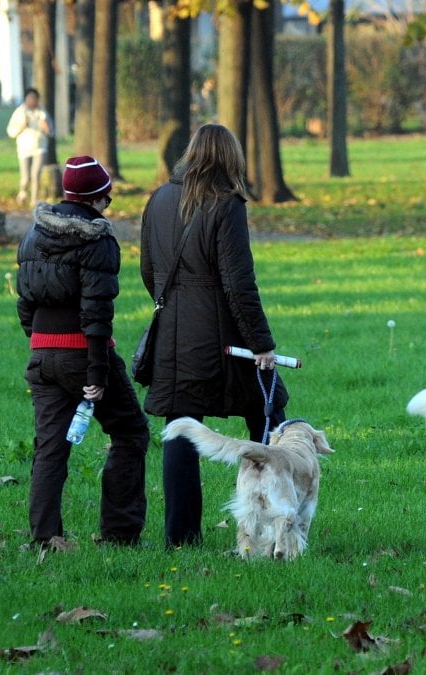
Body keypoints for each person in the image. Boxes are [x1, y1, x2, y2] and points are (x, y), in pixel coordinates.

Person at [140, 123, 288, 548]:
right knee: (269, 413)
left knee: (182, 427)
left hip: (172, 331)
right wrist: (262, 344)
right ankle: (276, 518)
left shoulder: (159, 199)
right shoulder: (227, 205)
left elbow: (149, 272)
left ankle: (181, 537)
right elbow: (238, 283)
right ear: (231, 160)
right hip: (222, 335)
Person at [16, 156, 149, 549]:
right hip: (83, 354)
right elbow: (96, 313)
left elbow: (26, 301)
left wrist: (40, 342)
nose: (107, 206)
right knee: (130, 432)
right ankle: (120, 534)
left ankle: (44, 537)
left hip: (41, 355)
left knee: (50, 447)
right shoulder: (98, 240)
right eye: (107, 199)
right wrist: (95, 373)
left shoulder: (34, 234)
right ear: (97, 198)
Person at [6, 88, 54, 207]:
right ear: (26, 99)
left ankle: (34, 199)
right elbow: (10, 132)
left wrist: (46, 128)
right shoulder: (20, 112)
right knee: (26, 176)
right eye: (30, 98)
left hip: (40, 147)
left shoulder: (42, 112)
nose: (32, 100)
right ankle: (22, 193)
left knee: (36, 173)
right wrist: (21, 127)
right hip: (24, 148)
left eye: (35, 98)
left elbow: (51, 131)